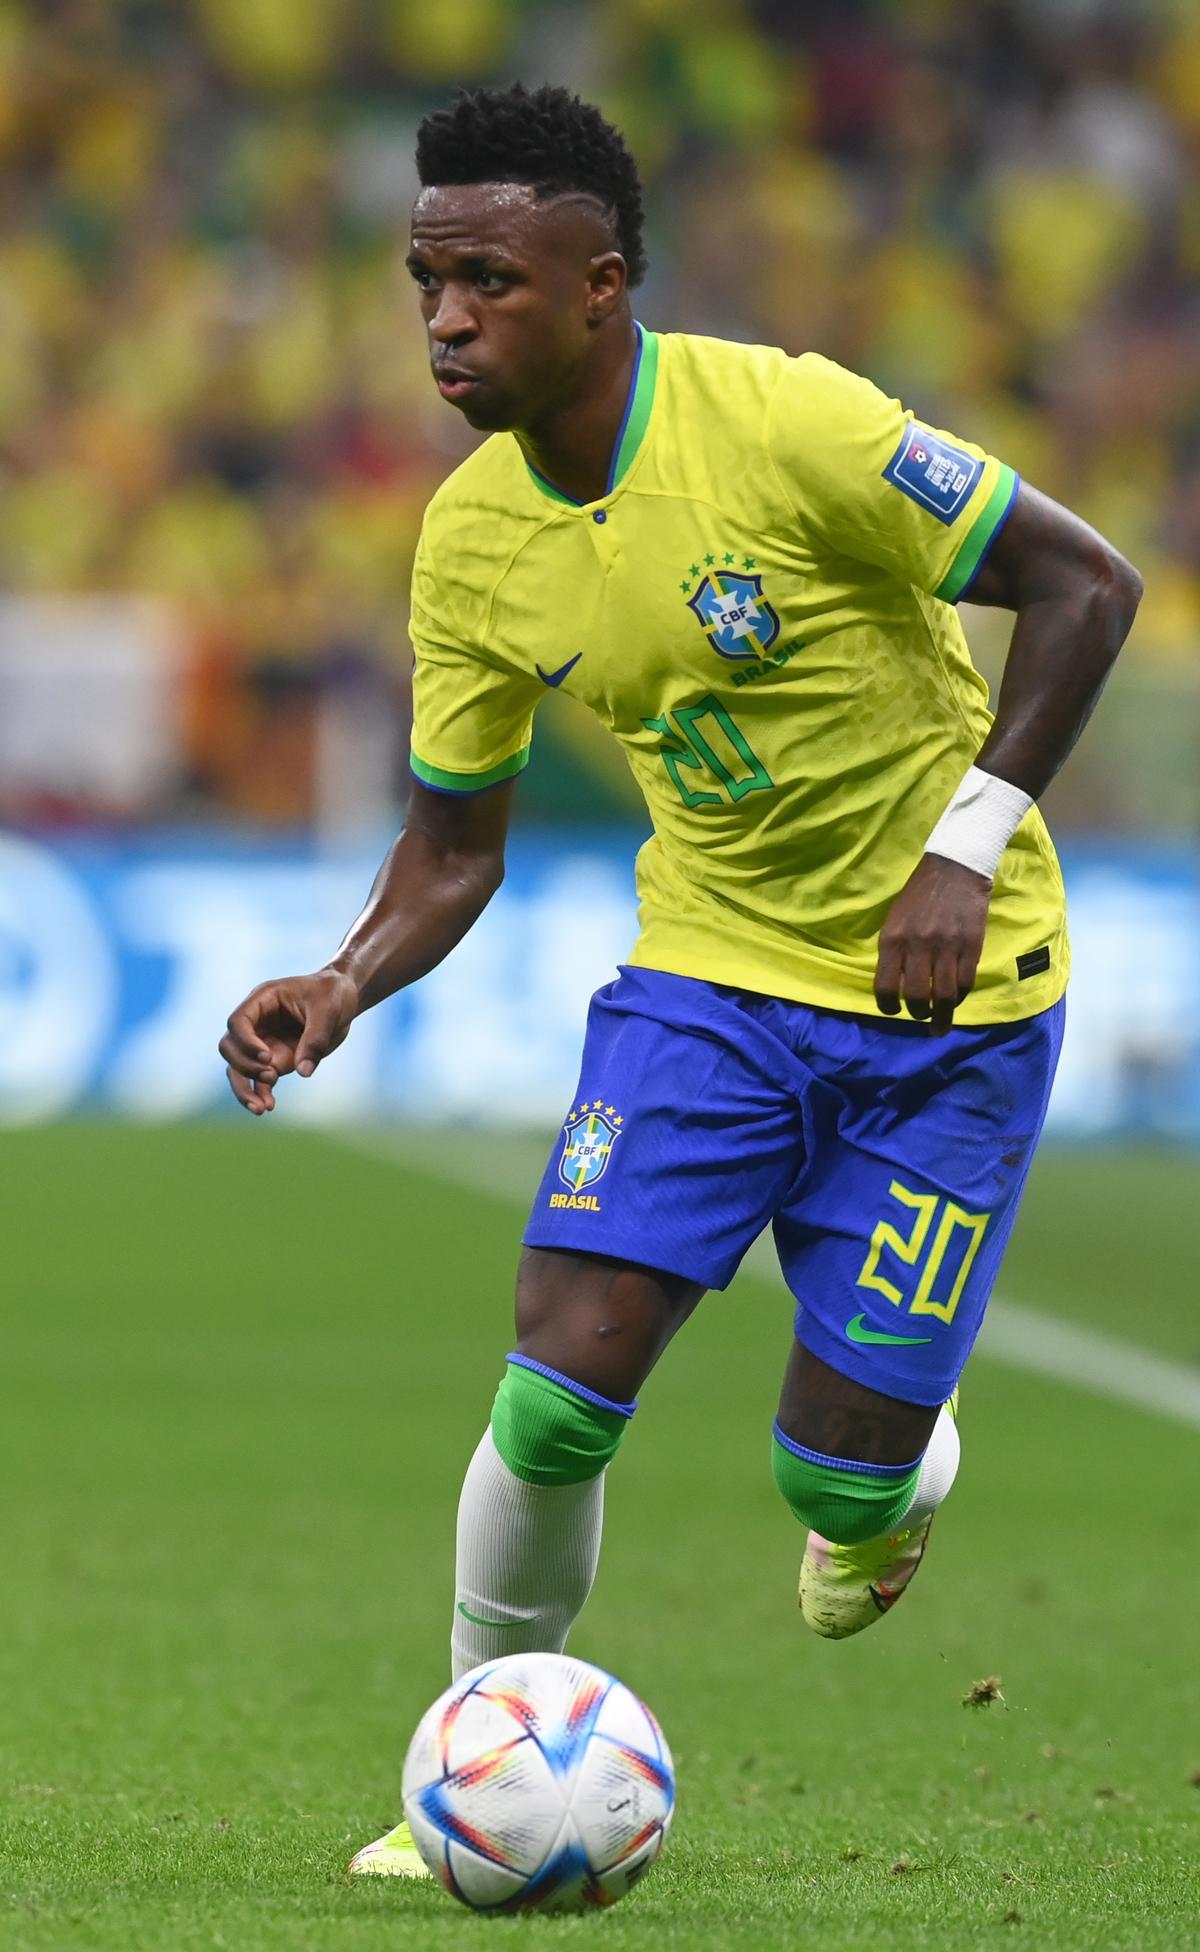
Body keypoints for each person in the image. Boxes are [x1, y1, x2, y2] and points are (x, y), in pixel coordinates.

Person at [218, 83, 1142, 1879]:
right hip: (710, 978)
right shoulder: (474, 541)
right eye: (425, 281)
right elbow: (454, 848)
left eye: (486, 279)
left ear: (602, 286)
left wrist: (959, 846)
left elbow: (1085, 587)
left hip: (955, 999)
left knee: (838, 1489)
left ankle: (892, 1473)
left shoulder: (792, 423)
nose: (446, 318)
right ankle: (472, 1764)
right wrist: (341, 980)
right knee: (559, 1382)